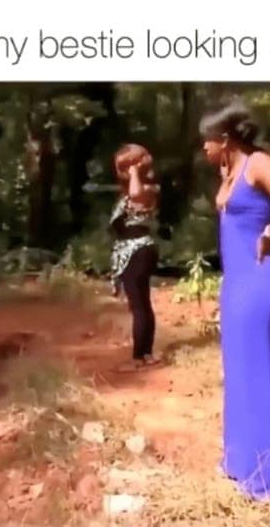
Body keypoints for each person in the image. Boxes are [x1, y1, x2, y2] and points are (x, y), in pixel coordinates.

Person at [199, 97, 270, 500]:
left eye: (208, 139)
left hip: (262, 276)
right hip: (236, 279)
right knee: (238, 368)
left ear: (225, 139)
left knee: (259, 367)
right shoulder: (229, 170)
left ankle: (267, 476)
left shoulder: (258, 164)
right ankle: (240, 461)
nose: (203, 147)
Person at [109, 143, 161, 372]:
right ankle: (146, 353)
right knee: (143, 305)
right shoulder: (134, 189)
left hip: (137, 251)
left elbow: (136, 195)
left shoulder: (145, 189)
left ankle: (138, 357)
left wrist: (134, 173)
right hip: (137, 250)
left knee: (139, 306)